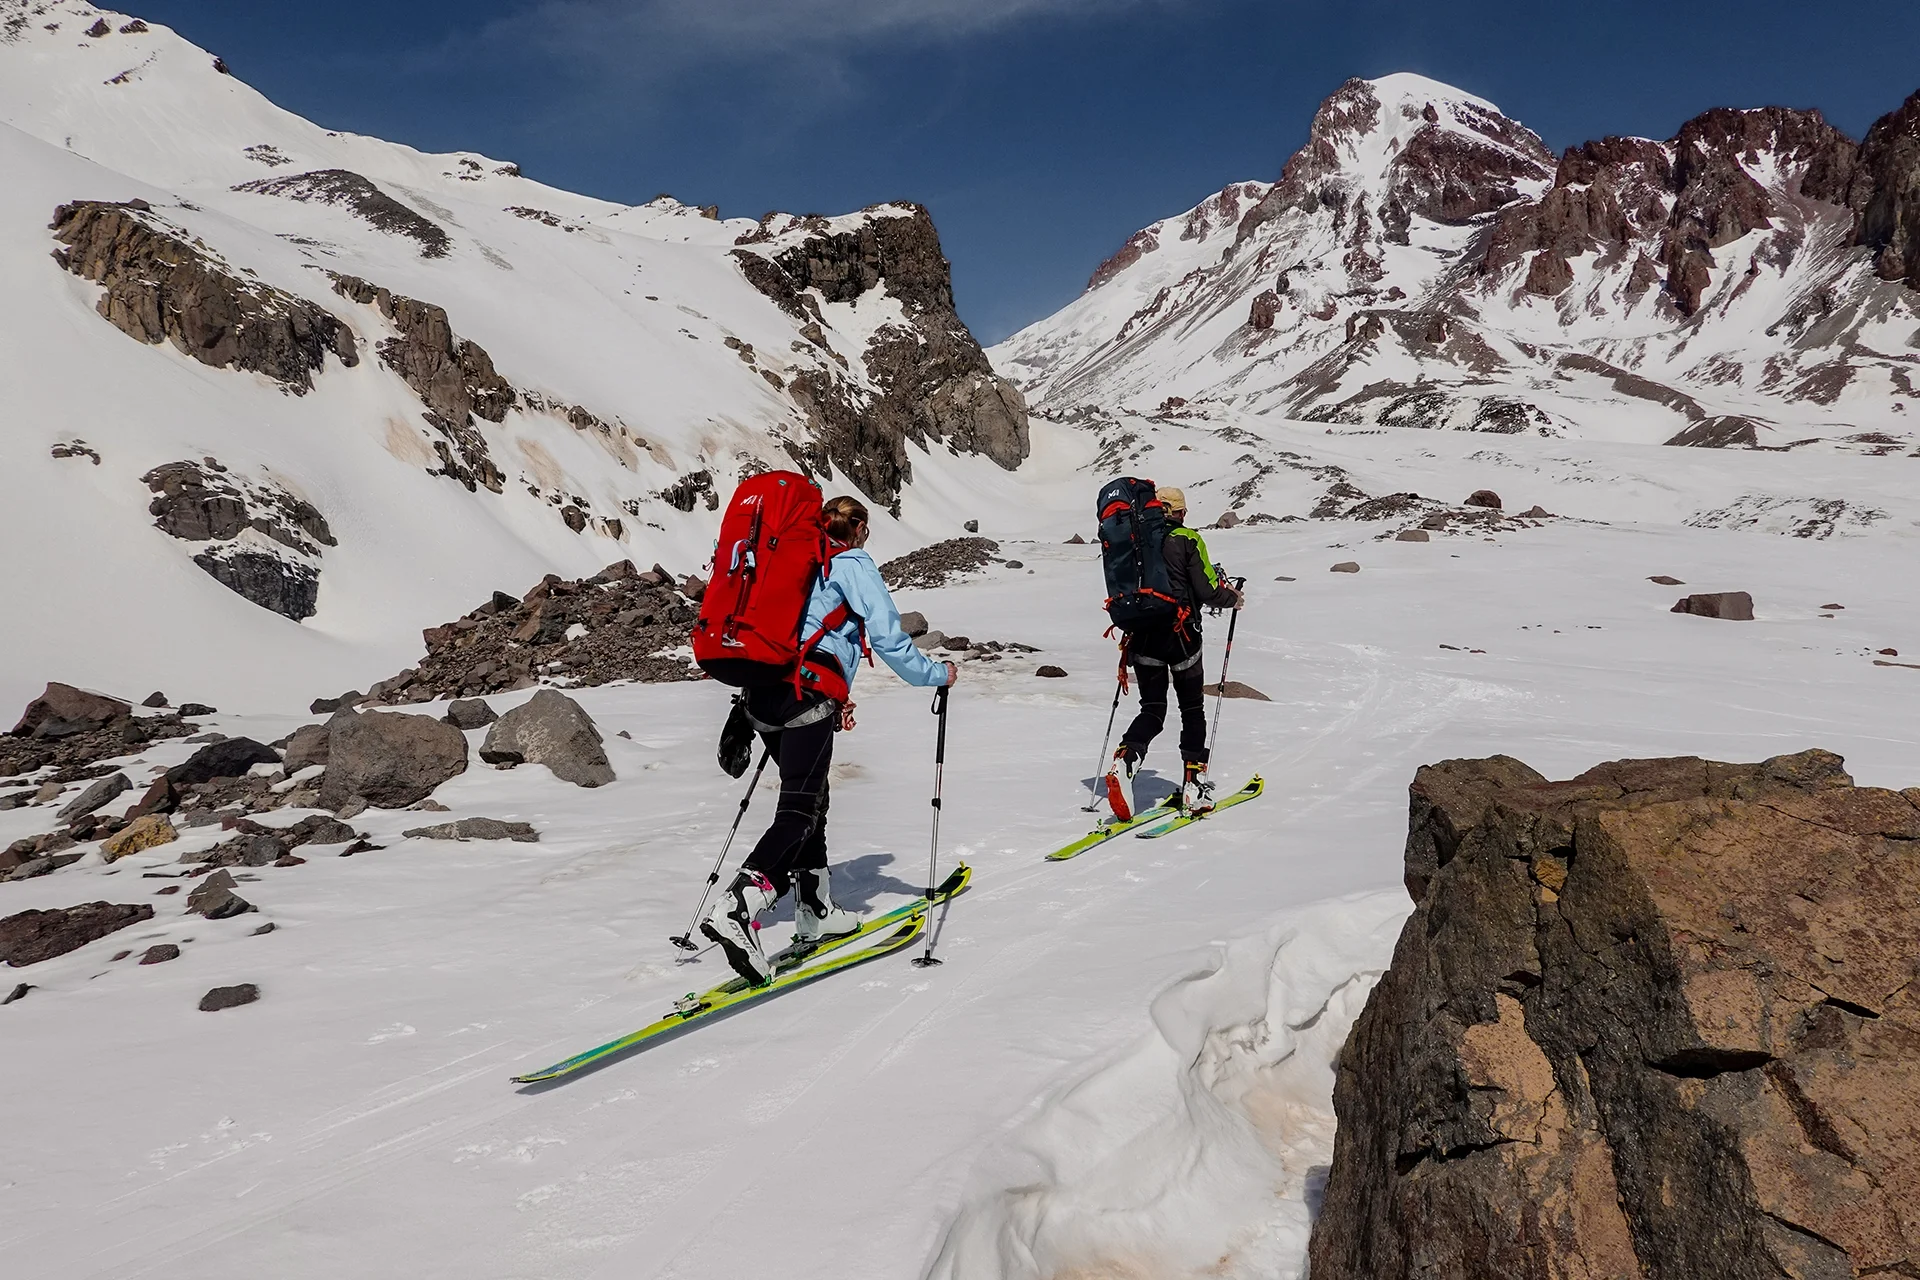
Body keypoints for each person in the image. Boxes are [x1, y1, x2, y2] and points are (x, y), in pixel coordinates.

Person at [702, 495, 958, 986]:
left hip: (764, 695)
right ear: (858, 528)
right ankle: (740, 905)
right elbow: (887, 637)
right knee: (799, 810)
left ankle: (815, 908)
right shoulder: (852, 563)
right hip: (805, 698)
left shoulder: (793, 560)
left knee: (811, 797)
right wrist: (936, 675)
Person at [1112, 486, 1243, 809]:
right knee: (1192, 709)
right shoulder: (1187, 539)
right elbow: (1208, 589)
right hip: (1181, 637)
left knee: (1153, 709)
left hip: (1142, 635)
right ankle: (1193, 784)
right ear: (1181, 513)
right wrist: (1233, 599)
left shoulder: (1135, 540)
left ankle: (1127, 757)